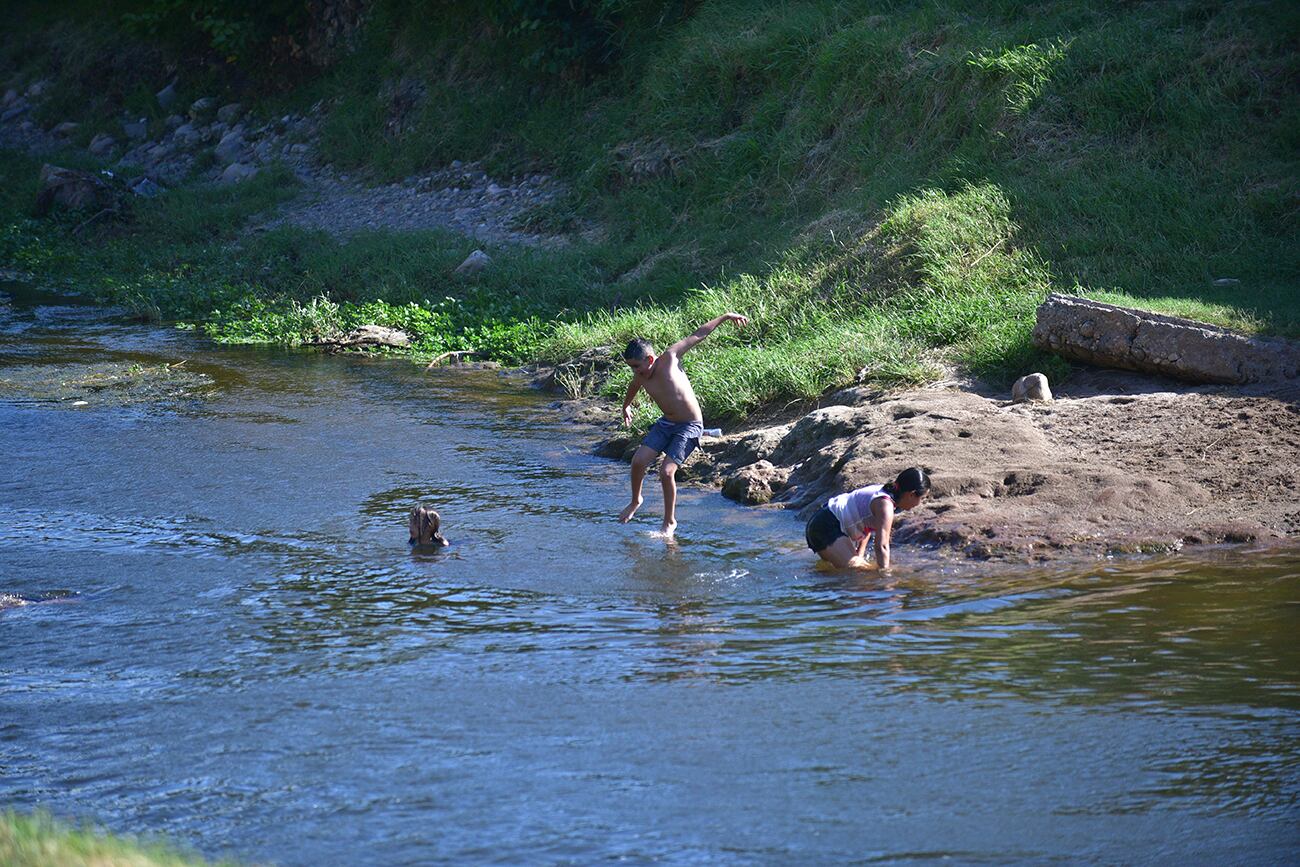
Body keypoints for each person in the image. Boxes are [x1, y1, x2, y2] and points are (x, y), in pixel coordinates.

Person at [618, 312, 749, 539]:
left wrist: (726, 317)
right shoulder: (640, 376)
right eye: (631, 368)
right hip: (666, 424)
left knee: (666, 472)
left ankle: (669, 522)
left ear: (650, 360)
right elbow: (633, 386)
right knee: (638, 461)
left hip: (689, 425)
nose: (634, 371)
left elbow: (698, 334)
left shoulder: (669, 359)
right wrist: (626, 406)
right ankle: (635, 500)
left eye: (636, 366)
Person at [805, 467, 931, 569]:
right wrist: (885, 576)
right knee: (859, 571)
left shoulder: (889, 496)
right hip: (825, 526)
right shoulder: (885, 504)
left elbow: (867, 524)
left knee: (854, 567)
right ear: (911, 494)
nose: (920, 503)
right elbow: (882, 545)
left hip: (823, 521)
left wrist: (860, 554)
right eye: (922, 498)